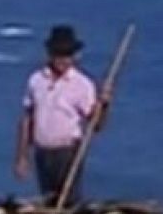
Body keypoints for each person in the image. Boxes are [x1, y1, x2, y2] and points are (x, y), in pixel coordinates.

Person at [14, 25, 109, 203]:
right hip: (42, 152)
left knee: (68, 202)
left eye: (68, 55)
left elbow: (96, 125)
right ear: (50, 54)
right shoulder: (36, 80)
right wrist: (22, 157)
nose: (64, 60)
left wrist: (104, 105)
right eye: (59, 54)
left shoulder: (82, 84)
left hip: (67, 153)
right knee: (48, 201)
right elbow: (27, 119)